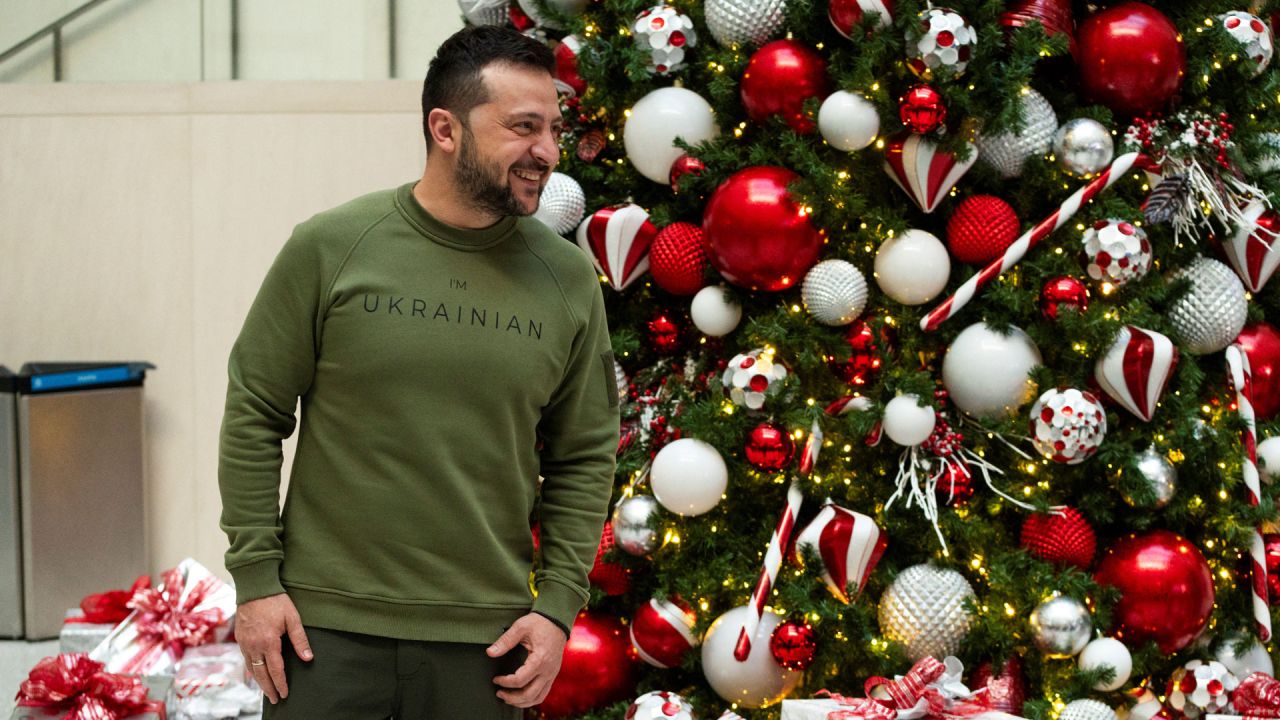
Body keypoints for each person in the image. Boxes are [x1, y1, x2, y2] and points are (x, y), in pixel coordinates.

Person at [217, 25, 618, 718]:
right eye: (523, 127)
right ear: (445, 128)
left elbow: (585, 453)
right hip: (322, 640)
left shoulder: (567, 279)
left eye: (553, 128)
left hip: (486, 648)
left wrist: (556, 611)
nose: (547, 152)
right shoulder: (332, 247)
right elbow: (255, 411)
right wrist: (255, 582)